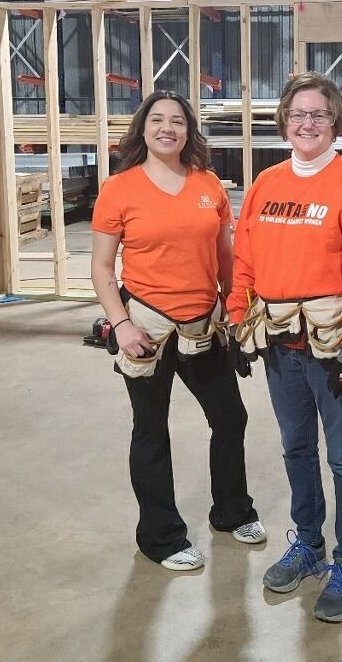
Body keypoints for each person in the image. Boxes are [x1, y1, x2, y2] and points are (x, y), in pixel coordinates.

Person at [226, 72, 342, 623]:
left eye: (319, 114)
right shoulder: (267, 184)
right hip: (279, 346)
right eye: (299, 114)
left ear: (335, 122)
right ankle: (309, 545)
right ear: (284, 122)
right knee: (296, 448)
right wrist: (237, 321)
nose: (308, 123)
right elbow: (243, 261)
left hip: (332, 347)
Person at [91, 90, 265, 572]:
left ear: (189, 131)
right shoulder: (120, 188)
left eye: (178, 122)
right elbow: (103, 268)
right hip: (145, 328)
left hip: (203, 326)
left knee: (230, 418)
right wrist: (121, 324)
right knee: (151, 432)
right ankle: (161, 536)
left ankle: (232, 511)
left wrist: (236, 309)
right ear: (142, 129)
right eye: (158, 120)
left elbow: (226, 256)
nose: (168, 128)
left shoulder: (208, 183)